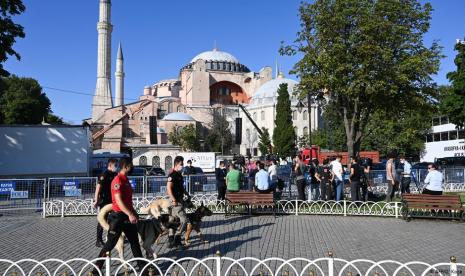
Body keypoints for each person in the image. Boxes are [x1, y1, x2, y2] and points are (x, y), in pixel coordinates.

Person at [92, 158, 146, 274]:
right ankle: (95, 269)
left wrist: (134, 213)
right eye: (131, 165)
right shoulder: (117, 180)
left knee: (134, 242)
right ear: (126, 166)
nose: (132, 168)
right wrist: (130, 214)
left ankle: (143, 268)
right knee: (110, 244)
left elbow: (127, 201)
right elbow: (119, 201)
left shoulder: (126, 179)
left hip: (126, 216)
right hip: (117, 218)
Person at [93, 158, 118, 248]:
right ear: (110, 165)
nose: (116, 167)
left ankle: (112, 236)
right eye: (115, 165)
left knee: (114, 218)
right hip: (104, 201)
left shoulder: (115, 174)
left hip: (112, 200)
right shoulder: (104, 174)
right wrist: (96, 200)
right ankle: (98, 240)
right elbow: (98, 187)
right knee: (102, 219)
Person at [167, 156, 190, 248]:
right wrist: (173, 199)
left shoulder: (179, 174)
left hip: (179, 199)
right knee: (184, 220)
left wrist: (186, 193)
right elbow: (168, 188)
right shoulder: (172, 174)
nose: (183, 166)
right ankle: (177, 238)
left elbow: (181, 187)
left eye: (183, 164)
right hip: (175, 201)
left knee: (173, 220)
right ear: (176, 164)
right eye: (181, 164)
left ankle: (171, 240)